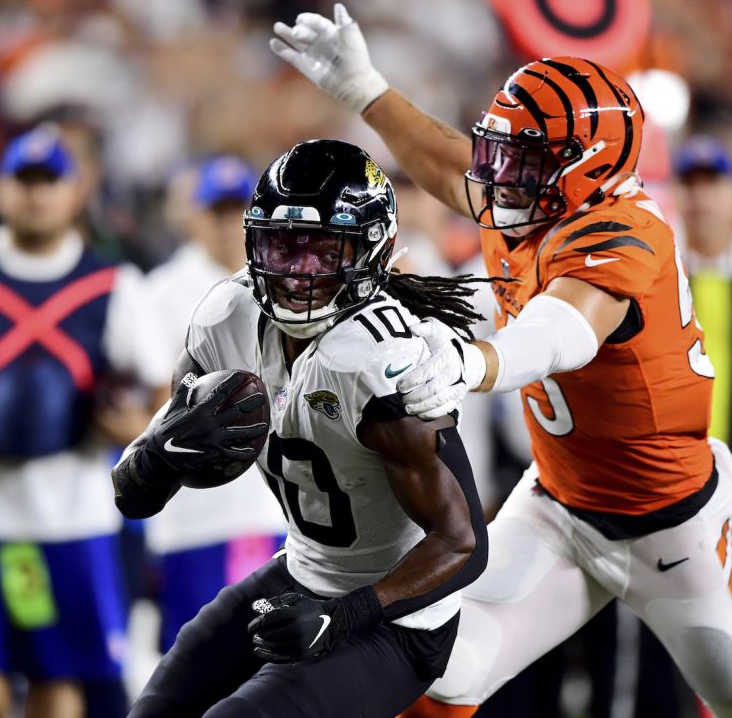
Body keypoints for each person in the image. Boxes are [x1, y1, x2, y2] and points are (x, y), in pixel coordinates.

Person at [271, 7, 732, 717]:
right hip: (560, 503)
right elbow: (449, 162)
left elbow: (564, 330)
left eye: (519, 161)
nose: (496, 177)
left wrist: (471, 363)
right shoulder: (524, 198)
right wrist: (366, 89)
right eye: (501, 153)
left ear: (583, 171)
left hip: (671, 527)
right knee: (447, 673)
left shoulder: (627, 231)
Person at [116, 139, 492, 718]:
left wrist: (344, 616)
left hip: (396, 618)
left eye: (323, 250)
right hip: (302, 572)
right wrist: (157, 457)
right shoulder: (225, 319)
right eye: (283, 245)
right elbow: (134, 497)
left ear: (372, 252)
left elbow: (463, 544)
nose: (298, 273)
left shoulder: (379, 362)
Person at [0, 125, 171, 718]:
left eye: (49, 182)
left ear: (74, 192)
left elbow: (163, 394)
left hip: (69, 513)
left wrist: (136, 427)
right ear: (1, 190)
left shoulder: (113, 283)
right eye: (22, 182)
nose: (35, 196)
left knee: (60, 671)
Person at [143, 155, 287, 656]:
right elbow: (150, 398)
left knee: (266, 661)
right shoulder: (161, 291)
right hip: (191, 513)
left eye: (236, 211)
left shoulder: (288, 283)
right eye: (216, 211)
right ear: (193, 216)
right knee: (191, 662)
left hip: (268, 509)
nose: (227, 225)